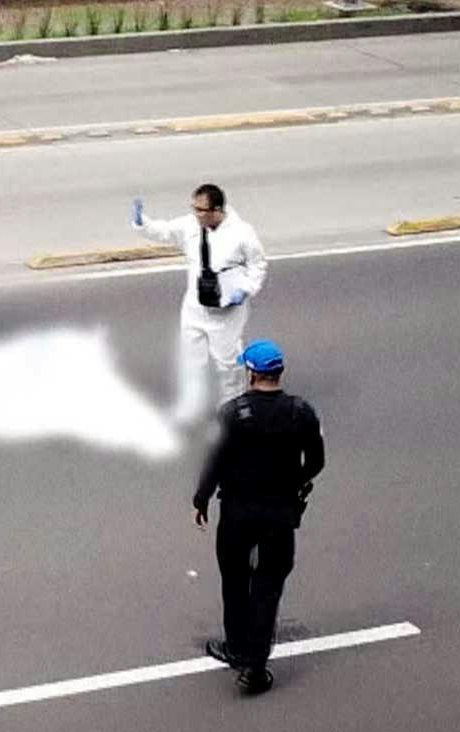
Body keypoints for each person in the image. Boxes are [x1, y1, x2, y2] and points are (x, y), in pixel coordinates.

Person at [194, 340, 325, 697]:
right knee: (268, 585)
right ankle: (254, 666)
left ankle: (236, 646)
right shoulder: (302, 412)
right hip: (280, 515)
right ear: (277, 373)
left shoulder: (232, 414)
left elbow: (215, 462)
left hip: (237, 514)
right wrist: (295, 482)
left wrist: (201, 499)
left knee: (235, 580)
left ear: (252, 374)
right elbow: (315, 463)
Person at [132, 184, 268, 423]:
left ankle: (230, 407)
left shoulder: (242, 233)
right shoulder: (190, 226)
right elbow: (164, 232)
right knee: (191, 359)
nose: (195, 214)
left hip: (226, 311)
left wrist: (245, 290)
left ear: (216, 210)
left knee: (227, 363)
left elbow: (258, 265)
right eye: (193, 208)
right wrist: (142, 222)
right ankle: (191, 405)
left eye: (200, 210)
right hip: (195, 307)